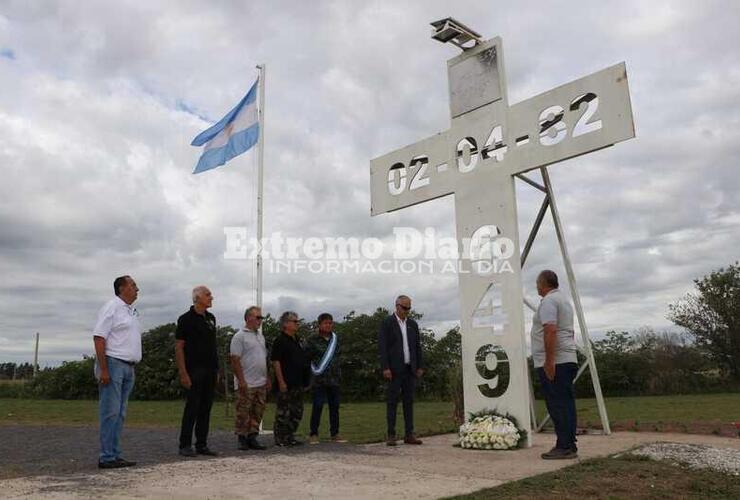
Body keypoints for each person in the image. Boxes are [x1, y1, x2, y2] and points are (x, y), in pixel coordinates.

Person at [93, 275, 142, 469]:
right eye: (134, 285)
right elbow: (99, 337)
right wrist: (104, 369)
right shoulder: (112, 307)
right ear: (122, 288)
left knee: (120, 413)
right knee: (110, 412)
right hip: (113, 364)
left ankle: (113, 454)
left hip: (129, 366)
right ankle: (106, 456)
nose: (137, 289)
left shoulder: (132, 311)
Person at [531, 270, 579, 459]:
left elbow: (550, 330)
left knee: (557, 404)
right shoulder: (564, 301)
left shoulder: (549, 302)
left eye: (537, 283)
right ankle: (569, 444)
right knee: (566, 403)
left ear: (543, 284)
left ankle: (564, 446)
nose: (536, 287)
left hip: (556, 361)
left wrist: (549, 361)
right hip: (566, 358)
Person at [175, 285, 219, 457]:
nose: (211, 297)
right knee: (192, 407)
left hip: (210, 369)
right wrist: (183, 372)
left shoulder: (211, 318)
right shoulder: (185, 319)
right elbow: (179, 347)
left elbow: (212, 345)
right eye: (208, 295)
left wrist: (217, 369)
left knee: (206, 407)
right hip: (194, 369)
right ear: (197, 298)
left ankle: (202, 443)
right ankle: (184, 444)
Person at [378, 295, 423, 446]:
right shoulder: (387, 323)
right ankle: (391, 434)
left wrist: (419, 366)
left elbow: (417, 346)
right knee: (392, 402)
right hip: (394, 370)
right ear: (396, 306)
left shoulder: (412, 324)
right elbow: (383, 347)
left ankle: (409, 434)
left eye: (409, 308)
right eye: (404, 308)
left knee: (409, 402)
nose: (407, 311)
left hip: (410, 369)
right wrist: (385, 367)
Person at [230, 305, 269, 451]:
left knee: (257, 411)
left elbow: (263, 358)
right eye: (257, 317)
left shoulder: (260, 336)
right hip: (246, 382)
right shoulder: (239, 336)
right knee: (243, 411)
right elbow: (235, 359)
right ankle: (242, 438)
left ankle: (253, 437)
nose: (260, 320)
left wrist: (267, 379)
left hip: (260, 381)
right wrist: (241, 380)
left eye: (261, 318)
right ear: (248, 318)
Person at [271, 311, 310, 447]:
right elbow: (276, 361)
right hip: (286, 382)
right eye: (294, 321)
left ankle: (290, 436)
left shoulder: (297, 340)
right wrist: (281, 381)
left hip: (298, 382)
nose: (297, 323)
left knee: (296, 411)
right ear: (286, 324)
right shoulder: (280, 340)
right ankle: (280, 438)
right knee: (284, 412)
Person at [306, 313, 346, 444]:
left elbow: (339, 356)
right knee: (317, 405)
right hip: (319, 379)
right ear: (319, 324)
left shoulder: (336, 339)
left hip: (334, 378)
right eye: (325, 323)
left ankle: (335, 433)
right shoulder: (312, 340)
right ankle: (313, 433)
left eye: (330, 323)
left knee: (334, 406)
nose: (328, 325)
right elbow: (307, 358)